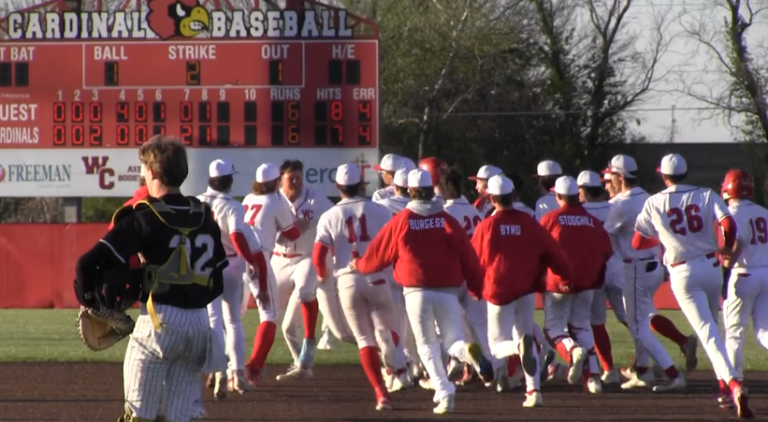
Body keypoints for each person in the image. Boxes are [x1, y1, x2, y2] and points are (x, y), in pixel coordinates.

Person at [75, 135, 228, 422]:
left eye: (144, 169)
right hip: (198, 326)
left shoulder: (147, 216)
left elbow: (86, 264)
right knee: (179, 418)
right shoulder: (204, 215)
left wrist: (94, 305)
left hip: (159, 323)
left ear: (153, 172)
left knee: (138, 417)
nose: (143, 174)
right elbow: (217, 282)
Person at [349, 168, 493, 414]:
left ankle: (444, 391)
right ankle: (467, 352)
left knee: (426, 345)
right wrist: (477, 287)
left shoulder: (403, 220)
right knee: (452, 341)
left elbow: (379, 255)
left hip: (416, 291)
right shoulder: (447, 220)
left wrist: (359, 265)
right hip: (448, 289)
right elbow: (468, 256)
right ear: (430, 190)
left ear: (410, 191)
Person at [633, 154, 751, 417]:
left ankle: (734, 384)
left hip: (682, 271)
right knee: (714, 330)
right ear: (686, 172)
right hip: (711, 267)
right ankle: (724, 389)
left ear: (663, 176)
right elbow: (728, 223)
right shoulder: (706, 194)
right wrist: (728, 248)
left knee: (708, 333)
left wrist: (664, 238)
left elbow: (637, 243)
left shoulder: (654, 202)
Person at [472, 174, 572, 407]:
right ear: (512, 195)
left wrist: (473, 287)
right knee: (525, 335)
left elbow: (474, 260)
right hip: (526, 289)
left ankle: (511, 361)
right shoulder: (528, 222)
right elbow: (552, 251)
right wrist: (565, 273)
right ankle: (533, 390)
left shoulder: (487, 226)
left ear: (491, 198)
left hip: (499, 289)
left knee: (497, 346)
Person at [313, 163, 403, 411]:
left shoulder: (329, 216)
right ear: (361, 185)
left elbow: (318, 255)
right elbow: (394, 244)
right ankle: (389, 347)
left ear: (338, 187)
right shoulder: (380, 210)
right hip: (377, 275)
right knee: (390, 329)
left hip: (347, 280)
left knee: (364, 340)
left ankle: (380, 394)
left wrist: (323, 277)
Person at [603, 154, 695, 391]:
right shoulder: (649, 197)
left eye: (611, 174)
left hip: (635, 267)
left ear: (620, 176)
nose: (609, 179)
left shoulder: (622, 204)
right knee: (643, 319)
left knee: (637, 327)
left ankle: (673, 374)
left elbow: (604, 237)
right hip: (654, 264)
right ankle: (642, 369)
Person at [272, 159, 353, 381]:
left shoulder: (317, 200)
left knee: (306, 291)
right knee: (282, 325)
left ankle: (309, 343)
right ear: (281, 179)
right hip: (279, 259)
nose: (296, 181)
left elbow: (337, 223)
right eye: (291, 178)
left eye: (299, 177)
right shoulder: (273, 199)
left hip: (306, 258)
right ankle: (302, 365)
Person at [197, 159, 268, 397]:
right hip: (230, 263)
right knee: (233, 321)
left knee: (214, 320)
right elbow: (237, 236)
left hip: (204, 265)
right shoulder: (233, 206)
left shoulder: (197, 202)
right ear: (229, 181)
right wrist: (249, 260)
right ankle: (236, 374)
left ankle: (218, 372)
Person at [540, 176, 613, 394]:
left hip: (558, 283)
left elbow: (538, 252)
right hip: (587, 283)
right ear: (577, 195)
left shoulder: (551, 219)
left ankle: (573, 352)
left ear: (558, 196)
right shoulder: (591, 220)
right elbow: (606, 252)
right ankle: (593, 379)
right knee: (582, 326)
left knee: (553, 329)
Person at [241, 162, 301, 385]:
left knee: (230, 318)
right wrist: (303, 223)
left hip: (238, 259)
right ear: (277, 182)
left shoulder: (247, 199)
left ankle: (224, 367)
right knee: (269, 316)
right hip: (259, 260)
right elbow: (292, 233)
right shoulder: (275, 201)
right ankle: (253, 366)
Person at [440, 168, 498, 387]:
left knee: (446, 326)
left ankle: (457, 360)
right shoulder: (475, 213)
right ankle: (491, 369)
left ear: (447, 188)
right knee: (480, 325)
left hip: (452, 276)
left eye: (440, 187)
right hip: (475, 273)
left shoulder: (444, 213)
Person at [721, 169, 768, 409]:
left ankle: (735, 384)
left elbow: (736, 245)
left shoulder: (729, 213)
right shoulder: (764, 212)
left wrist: (724, 262)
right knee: (764, 332)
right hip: (766, 273)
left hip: (743, 273)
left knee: (734, 334)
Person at [576, 170, 628, 384]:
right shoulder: (614, 207)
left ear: (582, 191)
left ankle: (608, 369)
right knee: (633, 320)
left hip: (594, 271)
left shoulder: (579, 212)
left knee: (596, 322)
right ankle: (646, 365)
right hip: (618, 267)